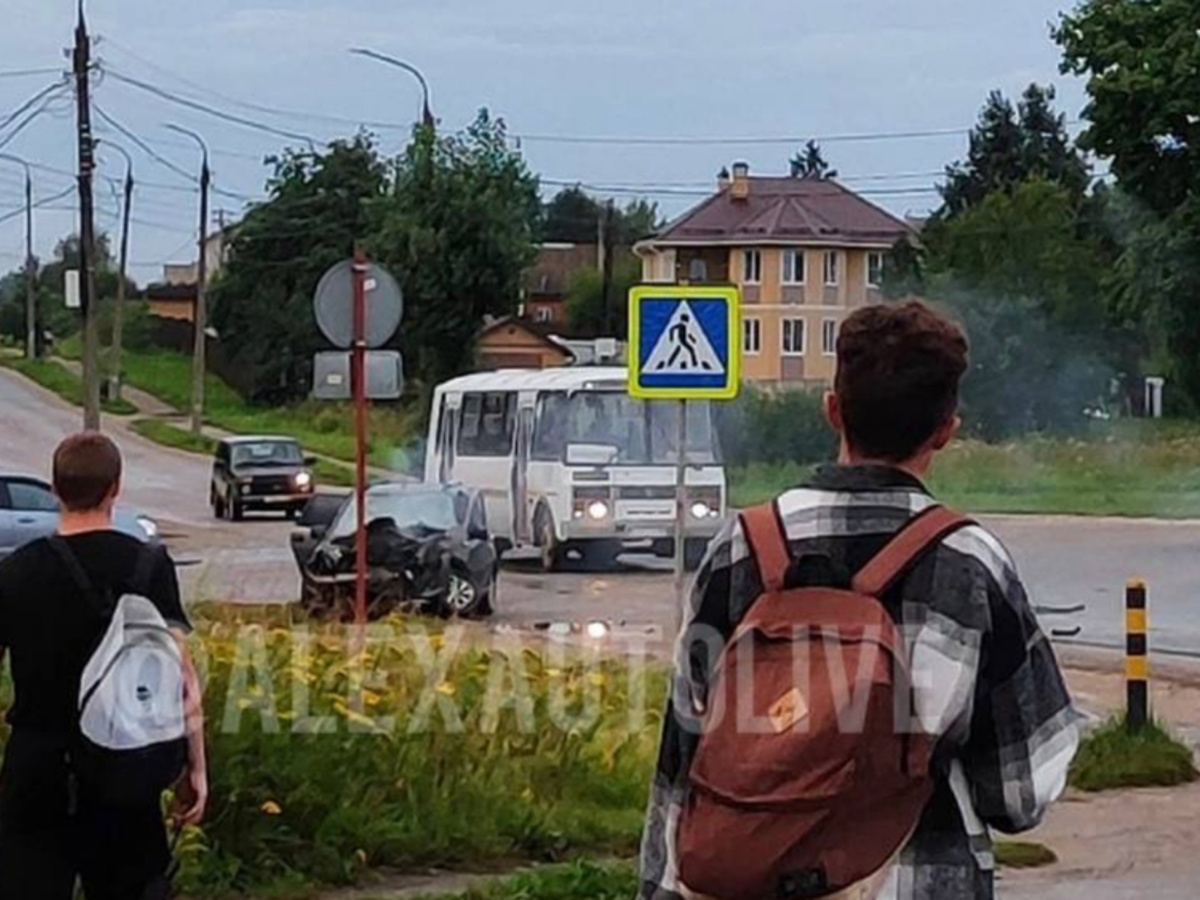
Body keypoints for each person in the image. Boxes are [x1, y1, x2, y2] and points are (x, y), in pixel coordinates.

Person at [639, 301, 1079, 900]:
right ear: (947, 430)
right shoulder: (971, 564)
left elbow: (682, 761)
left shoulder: (741, 548)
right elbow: (1019, 792)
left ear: (832, 411)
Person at [0, 432, 207, 899]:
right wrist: (194, 768)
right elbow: (182, 679)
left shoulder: (16, 572)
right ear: (116, 488)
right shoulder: (149, 566)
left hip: (37, 767)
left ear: (54, 489)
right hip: (124, 767)